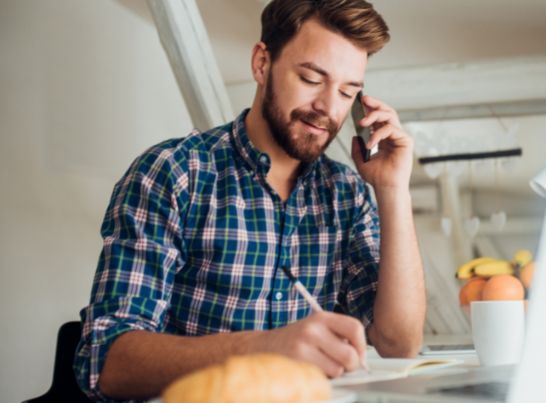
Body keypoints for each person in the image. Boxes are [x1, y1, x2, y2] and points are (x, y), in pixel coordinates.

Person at [74, 0, 425, 400]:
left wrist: (393, 189)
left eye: (348, 91)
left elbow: (400, 345)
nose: (329, 108)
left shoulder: (346, 194)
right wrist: (264, 347)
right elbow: (106, 363)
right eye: (311, 78)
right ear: (262, 64)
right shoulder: (173, 173)